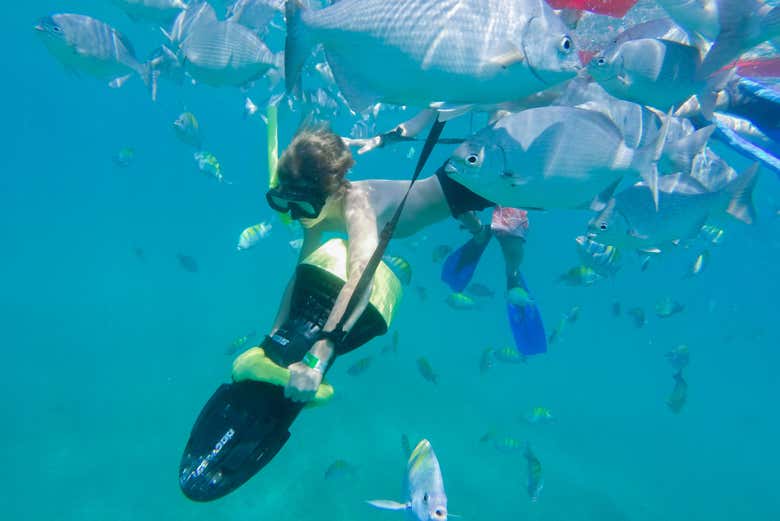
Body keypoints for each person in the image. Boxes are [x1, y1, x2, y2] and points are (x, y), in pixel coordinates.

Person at [266, 123, 543, 403]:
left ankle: (512, 271)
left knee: (513, 236)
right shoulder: (311, 212)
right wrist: (273, 336)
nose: (294, 214)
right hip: (447, 197)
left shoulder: (357, 203)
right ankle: (478, 230)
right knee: (449, 205)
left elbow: (362, 276)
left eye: (302, 206)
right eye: (283, 203)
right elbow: (299, 277)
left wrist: (318, 360)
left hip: (471, 179)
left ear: (332, 190)